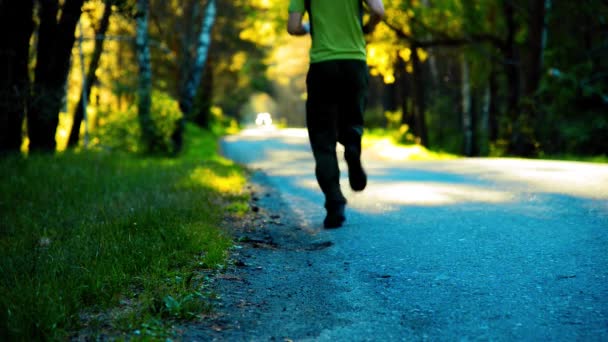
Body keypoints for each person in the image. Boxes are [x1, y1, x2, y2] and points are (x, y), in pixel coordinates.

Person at [287, 0, 385, 228]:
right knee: (352, 121)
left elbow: (293, 27)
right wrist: (368, 28)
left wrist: (308, 29)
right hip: (354, 63)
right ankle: (352, 147)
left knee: (323, 139)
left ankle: (334, 203)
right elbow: (378, 10)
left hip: (323, 66)